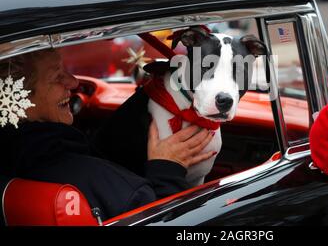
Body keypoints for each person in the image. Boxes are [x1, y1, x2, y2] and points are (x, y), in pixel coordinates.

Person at [0, 49, 216, 221]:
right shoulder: (117, 190)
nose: (73, 82)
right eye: (57, 76)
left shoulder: (16, 161)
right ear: (23, 99)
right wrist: (167, 170)